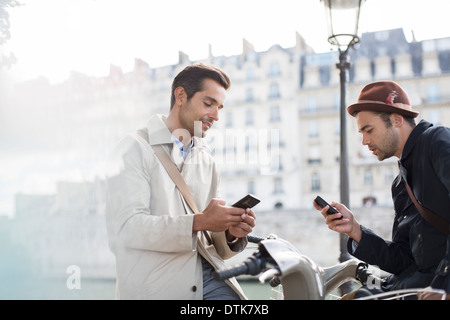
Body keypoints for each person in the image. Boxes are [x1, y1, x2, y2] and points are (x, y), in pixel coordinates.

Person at [105, 63, 256, 300]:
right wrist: (201, 221)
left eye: (219, 108)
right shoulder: (133, 148)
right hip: (157, 286)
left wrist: (230, 233)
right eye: (208, 103)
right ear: (181, 96)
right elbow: (126, 229)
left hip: (209, 279)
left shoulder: (207, 161)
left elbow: (211, 243)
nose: (216, 116)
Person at [313, 80, 449, 299]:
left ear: (396, 119)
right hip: (407, 287)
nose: (365, 141)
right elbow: (404, 260)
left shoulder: (437, 141)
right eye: (361, 133)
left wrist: (445, 287)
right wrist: (355, 230)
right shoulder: (400, 183)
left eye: (369, 130)